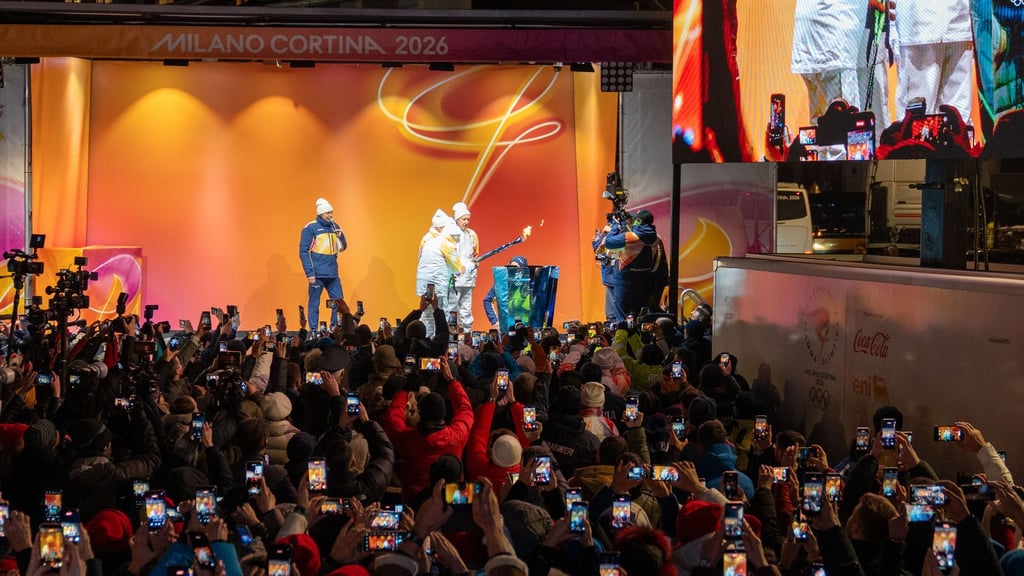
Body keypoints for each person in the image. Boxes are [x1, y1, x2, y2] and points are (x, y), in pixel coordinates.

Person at [596, 210, 668, 320]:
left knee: (622, 317)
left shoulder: (631, 237)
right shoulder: (656, 238)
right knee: (638, 315)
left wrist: (616, 226)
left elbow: (609, 243)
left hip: (625, 280)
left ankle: (623, 335)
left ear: (638, 221)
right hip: (643, 279)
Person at [298, 197, 347, 333]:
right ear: (320, 213)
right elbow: (303, 251)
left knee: (338, 302)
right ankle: (313, 331)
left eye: (331, 212)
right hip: (317, 273)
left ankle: (334, 329)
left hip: (333, 273)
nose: (330, 215)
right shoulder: (310, 228)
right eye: (327, 213)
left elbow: (343, 247)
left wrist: (340, 236)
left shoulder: (334, 226)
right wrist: (309, 273)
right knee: (315, 303)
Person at [415, 209, 463, 338]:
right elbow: (457, 268)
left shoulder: (427, 239)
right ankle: (440, 343)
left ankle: (428, 340)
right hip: (438, 284)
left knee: (428, 314)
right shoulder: (445, 242)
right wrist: (462, 269)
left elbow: (420, 258)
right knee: (441, 312)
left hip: (424, 283)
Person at [450, 202, 480, 334]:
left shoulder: (472, 234)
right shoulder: (451, 233)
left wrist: (475, 264)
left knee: (466, 309)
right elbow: (449, 254)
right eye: (464, 219)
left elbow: (476, 254)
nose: (466, 221)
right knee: (452, 308)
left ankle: (467, 335)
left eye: (468, 219)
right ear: (457, 219)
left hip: (468, 278)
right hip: (455, 277)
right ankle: (451, 335)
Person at [482, 256, 528, 329]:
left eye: (516, 267)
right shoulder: (502, 284)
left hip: (525, 327)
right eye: (511, 267)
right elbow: (487, 300)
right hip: (506, 328)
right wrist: (494, 321)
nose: (513, 270)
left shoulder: (528, 284)